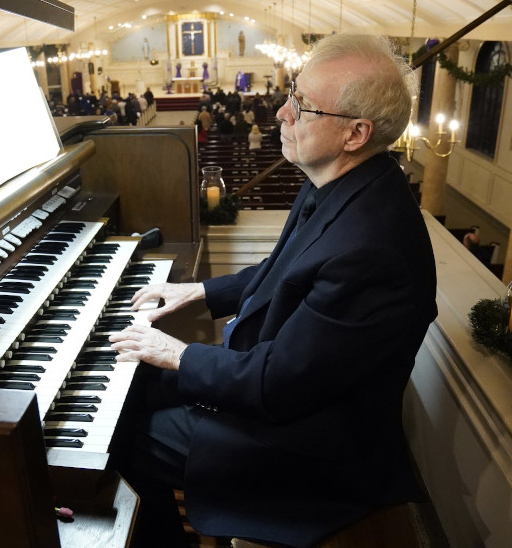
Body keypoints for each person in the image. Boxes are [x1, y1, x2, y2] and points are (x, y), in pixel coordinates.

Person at [110, 34, 438, 547]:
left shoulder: (372, 249)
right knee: (132, 389)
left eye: (302, 106)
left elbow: (278, 383)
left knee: (124, 438)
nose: (282, 112)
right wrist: (198, 291)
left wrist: (175, 352)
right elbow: (284, 270)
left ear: (356, 133)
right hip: (284, 389)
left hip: (311, 443)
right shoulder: (342, 182)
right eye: (292, 93)